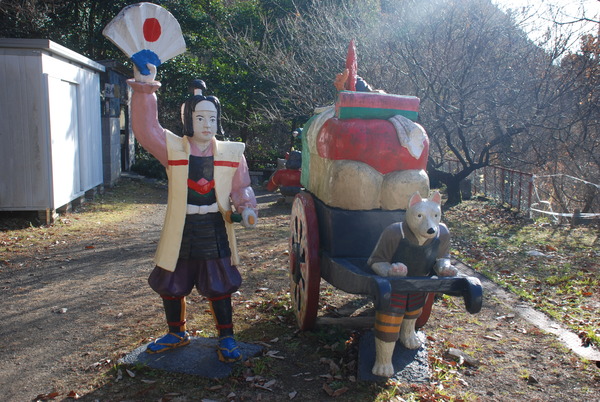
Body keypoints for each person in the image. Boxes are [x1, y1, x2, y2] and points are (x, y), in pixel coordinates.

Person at [128, 64, 258, 362]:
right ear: (188, 119)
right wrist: (144, 86)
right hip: (182, 228)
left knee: (220, 283)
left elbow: (242, 188)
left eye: (212, 118)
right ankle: (176, 332)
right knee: (171, 281)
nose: (207, 124)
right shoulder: (174, 149)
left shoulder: (231, 152)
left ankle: (226, 337)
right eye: (200, 117)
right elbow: (147, 130)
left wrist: (247, 208)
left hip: (214, 227)